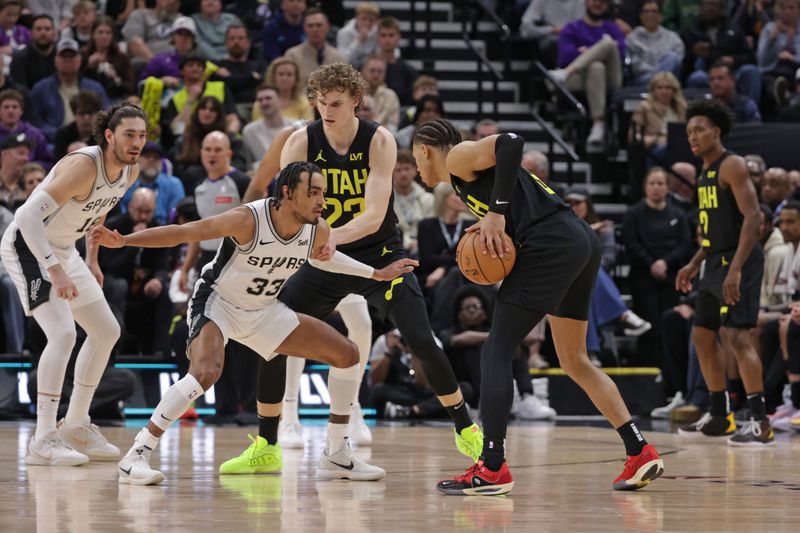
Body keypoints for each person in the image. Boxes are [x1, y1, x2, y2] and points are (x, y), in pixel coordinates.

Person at [222, 63, 481, 478]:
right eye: (321, 102)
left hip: (378, 253)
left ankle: (467, 429)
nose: (327, 110)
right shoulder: (299, 141)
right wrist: (311, 244)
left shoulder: (378, 139)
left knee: (420, 336)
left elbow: (376, 214)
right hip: (323, 259)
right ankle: (267, 444)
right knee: (269, 334)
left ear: (356, 101)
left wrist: (327, 238)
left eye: (336, 103)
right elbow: (286, 209)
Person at [92, 161, 417, 484]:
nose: (323, 201)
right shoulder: (248, 219)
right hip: (217, 304)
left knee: (347, 354)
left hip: (263, 310)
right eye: (314, 192)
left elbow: (327, 256)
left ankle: (336, 454)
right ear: (288, 193)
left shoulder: (318, 228)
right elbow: (185, 232)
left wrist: (375, 273)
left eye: (324, 193)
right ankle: (137, 454)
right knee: (205, 372)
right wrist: (124, 241)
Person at [412, 117, 664, 495]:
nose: (417, 169)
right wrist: (494, 220)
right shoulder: (468, 179)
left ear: (426, 150)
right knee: (574, 359)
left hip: (550, 245)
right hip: (577, 241)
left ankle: (492, 466)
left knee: (496, 348)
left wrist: (495, 215)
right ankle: (639, 449)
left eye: (416, 159)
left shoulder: (458, 157)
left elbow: (512, 140)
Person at [0, 103, 147, 466]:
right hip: (29, 247)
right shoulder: (83, 165)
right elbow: (26, 216)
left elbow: (97, 212)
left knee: (105, 330)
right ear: (109, 135)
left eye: (142, 136)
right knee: (63, 334)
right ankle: (43, 439)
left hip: (65, 250)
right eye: (129, 134)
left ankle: (76, 423)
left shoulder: (130, 171)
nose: (137, 143)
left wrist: (91, 259)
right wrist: (55, 270)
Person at [676, 99, 775, 446]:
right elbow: (717, 229)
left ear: (716, 131)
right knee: (702, 336)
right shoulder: (704, 172)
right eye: (689, 132)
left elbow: (753, 219)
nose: (693, 136)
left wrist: (735, 269)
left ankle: (760, 420)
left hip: (739, 261)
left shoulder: (732, 165)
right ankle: (721, 415)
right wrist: (694, 261)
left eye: (699, 129)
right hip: (715, 260)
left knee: (737, 337)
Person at [622, 167, 693, 371]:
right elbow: (630, 242)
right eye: (652, 183)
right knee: (649, 322)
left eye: (660, 183)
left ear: (668, 187)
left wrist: (666, 262)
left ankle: (669, 371)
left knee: (668, 323)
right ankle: (647, 368)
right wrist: (651, 263)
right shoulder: (634, 213)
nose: (656, 188)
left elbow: (685, 244)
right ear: (645, 186)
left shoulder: (678, 214)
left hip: (671, 276)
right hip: (643, 275)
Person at [30, 38, 109, 143]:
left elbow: (105, 117)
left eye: (72, 56)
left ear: (80, 60)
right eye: (63, 56)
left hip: (91, 140)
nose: (67, 60)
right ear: (55, 61)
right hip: (53, 141)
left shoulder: (95, 88)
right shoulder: (40, 89)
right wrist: (60, 136)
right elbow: (36, 121)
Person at [282, 8, 346, 87]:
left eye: (319, 25)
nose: (315, 29)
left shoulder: (338, 57)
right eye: (310, 26)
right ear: (304, 28)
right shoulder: (292, 55)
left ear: (327, 26)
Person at [626, 0, 685, 86]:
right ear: (641, 16)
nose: (650, 15)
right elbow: (635, 67)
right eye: (646, 11)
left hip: (668, 82)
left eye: (654, 11)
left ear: (661, 16)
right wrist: (657, 72)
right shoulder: (632, 38)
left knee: (673, 58)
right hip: (643, 80)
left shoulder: (673, 38)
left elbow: (678, 63)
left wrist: (659, 72)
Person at [81, 16, 134, 101]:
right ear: (93, 34)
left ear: (113, 36)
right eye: (100, 32)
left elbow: (130, 87)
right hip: (88, 98)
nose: (104, 36)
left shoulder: (122, 58)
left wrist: (116, 78)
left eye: (108, 33)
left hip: (115, 98)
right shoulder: (83, 55)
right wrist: (90, 67)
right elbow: (76, 81)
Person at [53, 91, 102, 160]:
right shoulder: (62, 134)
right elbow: (56, 165)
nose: (86, 118)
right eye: (82, 113)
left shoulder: (104, 135)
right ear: (74, 114)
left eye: (90, 113)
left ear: (97, 114)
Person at [261, 0, 306, 66]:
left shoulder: (310, 26)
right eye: (291, 1)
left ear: (304, 5)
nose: (295, 4)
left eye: (299, 1)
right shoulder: (271, 27)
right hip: (280, 69)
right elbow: (273, 58)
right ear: (283, 5)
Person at [336, 2, 380, 66]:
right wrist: (358, 41)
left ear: (375, 21)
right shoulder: (344, 33)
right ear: (356, 18)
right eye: (363, 18)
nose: (367, 23)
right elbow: (343, 60)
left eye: (371, 20)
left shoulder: (377, 32)